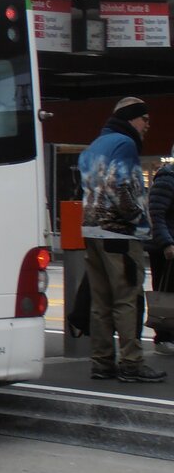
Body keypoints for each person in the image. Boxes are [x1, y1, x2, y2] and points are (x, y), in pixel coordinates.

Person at [78, 97, 166, 382]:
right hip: (119, 233)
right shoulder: (125, 144)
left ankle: (102, 363)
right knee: (127, 298)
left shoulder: (95, 145)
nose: (148, 126)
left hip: (91, 231)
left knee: (100, 301)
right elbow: (120, 185)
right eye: (145, 120)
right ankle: (132, 363)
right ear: (131, 118)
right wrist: (136, 216)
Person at [146, 145, 174, 356]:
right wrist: (166, 243)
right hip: (166, 249)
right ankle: (164, 337)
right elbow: (156, 214)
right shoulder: (167, 179)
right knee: (166, 293)